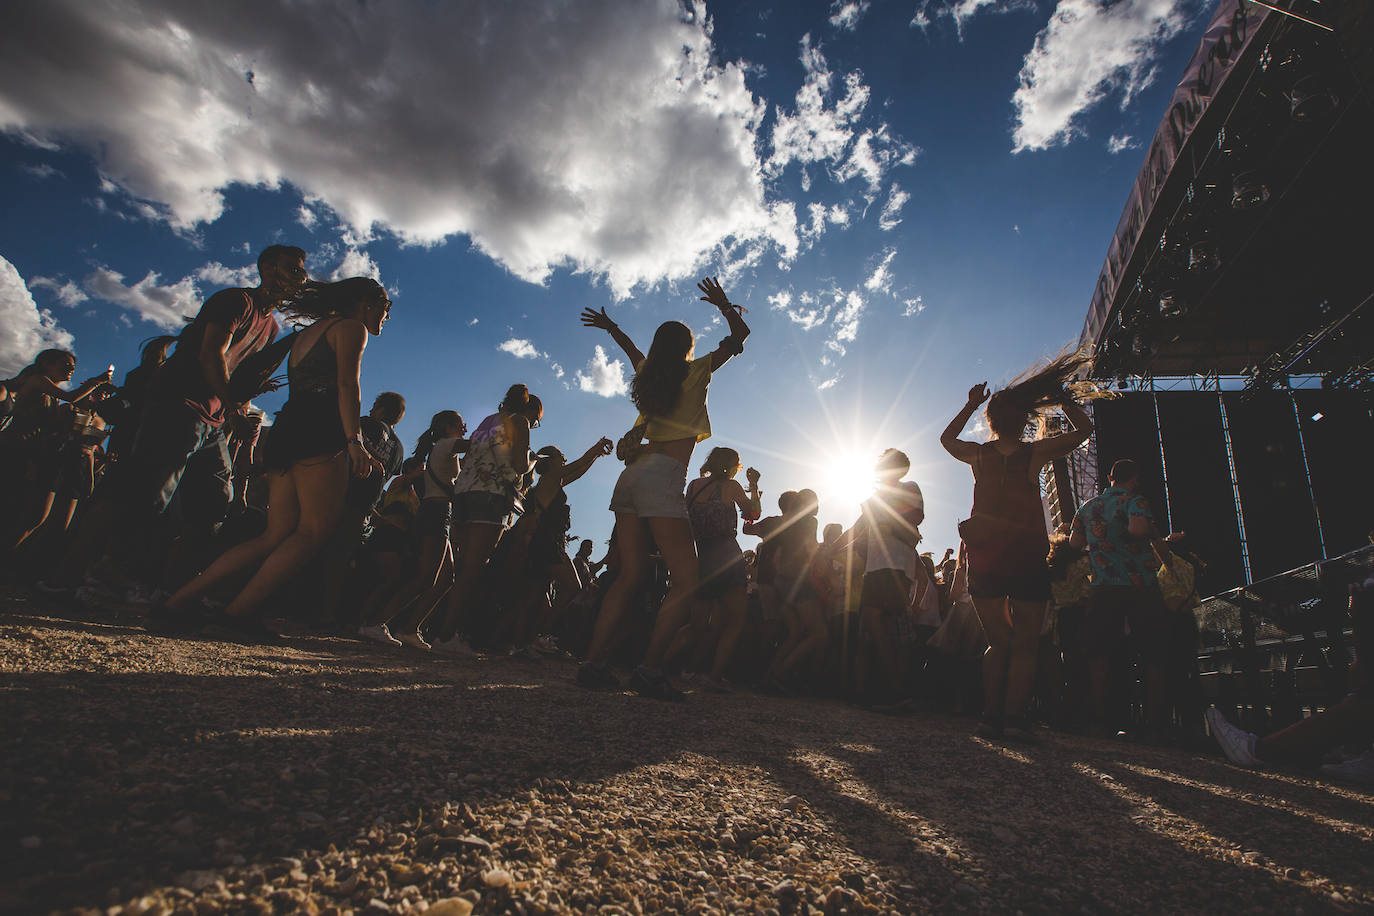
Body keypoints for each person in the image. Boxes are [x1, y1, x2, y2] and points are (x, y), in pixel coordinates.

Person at [49, 245, 308, 595]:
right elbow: (212, 353)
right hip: (178, 405)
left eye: (301, 271)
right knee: (141, 494)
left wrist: (239, 409)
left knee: (213, 505)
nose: (300, 277)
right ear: (267, 268)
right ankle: (70, 578)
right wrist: (233, 409)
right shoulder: (236, 301)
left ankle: (169, 593)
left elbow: (240, 374)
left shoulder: (271, 327)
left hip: (213, 421)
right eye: (292, 268)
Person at [151, 277, 391, 636]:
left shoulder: (310, 333)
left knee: (274, 534)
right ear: (366, 302)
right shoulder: (351, 328)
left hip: (287, 430)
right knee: (312, 532)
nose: (386, 317)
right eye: (386, 308)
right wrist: (355, 441)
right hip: (319, 432)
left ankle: (176, 603)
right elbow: (346, 385)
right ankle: (235, 615)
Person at [577, 277, 751, 699]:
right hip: (663, 476)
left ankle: (592, 664)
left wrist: (612, 327)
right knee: (687, 582)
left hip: (631, 477)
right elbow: (740, 337)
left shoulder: (647, 375)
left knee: (628, 575)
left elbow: (632, 351)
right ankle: (649, 671)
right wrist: (725, 305)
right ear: (687, 348)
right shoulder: (696, 371)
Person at [941, 352, 1098, 740]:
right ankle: (1013, 719)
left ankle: (989, 716)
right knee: (1026, 644)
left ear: (991, 421)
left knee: (998, 643)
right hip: (1027, 557)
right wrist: (1062, 399)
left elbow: (946, 440)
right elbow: (1084, 431)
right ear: (1025, 419)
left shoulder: (979, 456)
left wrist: (970, 405)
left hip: (986, 558)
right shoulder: (1034, 454)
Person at [428, 385, 544, 655]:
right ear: (528, 411)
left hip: (464, 494)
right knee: (472, 569)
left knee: (462, 569)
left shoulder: (487, 421)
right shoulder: (520, 423)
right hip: (491, 495)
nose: (534, 425)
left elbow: (471, 455)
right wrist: (533, 461)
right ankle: (447, 637)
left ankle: (442, 631)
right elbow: (519, 465)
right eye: (536, 421)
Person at [1068, 458, 1167, 736]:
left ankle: (1101, 720)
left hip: (1104, 587)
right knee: (1153, 653)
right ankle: (1156, 725)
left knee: (1099, 654)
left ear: (1110, 478)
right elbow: (1138, 530)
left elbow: (1074, 543)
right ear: (1134, 479)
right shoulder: (1136, 501)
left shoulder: (1087, 507)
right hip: (1140, 586)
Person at [362, 410, 467, 649]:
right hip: (436, 512)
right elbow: (477, 444)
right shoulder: (447, 444)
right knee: (427, 577)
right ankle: (376, 623)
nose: (465, 429)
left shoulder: (443, 448)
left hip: (439, 512)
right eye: (461, 424)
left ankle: (410, 629)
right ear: (448, 426)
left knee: (445, 579)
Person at [0, 350, 114, 557]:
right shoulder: (38, 380)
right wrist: (97, 381)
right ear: (46, 363)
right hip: (13, 448)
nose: (71, 370)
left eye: (73, 367)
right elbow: (70, 397)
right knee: (17, 509)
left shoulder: (51, 396)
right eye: (66, 365)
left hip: (31, 453)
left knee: (28, 514)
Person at [833, 450, 924, 705]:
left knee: (876, 618)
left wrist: (891, 521)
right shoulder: (872, 499)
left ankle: (895, 688)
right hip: (875, 566)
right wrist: (831, 549)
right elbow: (857, 528)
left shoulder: (909, 487)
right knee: (876, 623)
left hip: (895, 563)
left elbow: (917, 515)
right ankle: (887, 689)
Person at [671, 448, 761, 691]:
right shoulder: (732, 487)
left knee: (697, 624)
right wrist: (753, 486)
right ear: (733, 465)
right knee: (735, 619)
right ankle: (714, 676)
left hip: (700, 555)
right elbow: (753, 514)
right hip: (727, 556)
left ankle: (665, 663)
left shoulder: (694, 486)